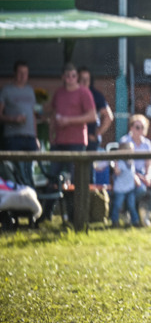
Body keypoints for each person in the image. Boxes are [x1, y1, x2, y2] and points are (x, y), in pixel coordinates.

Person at [46, 62, 97, 220]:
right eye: (67, 76)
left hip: (76, 142)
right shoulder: (59, 93)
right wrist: (51, 135)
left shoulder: (84, 92)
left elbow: (92, 116)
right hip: (59, 142)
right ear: (63, 77)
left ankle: (76, 217)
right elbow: (54, 116)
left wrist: (69, 121)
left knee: (75, 181)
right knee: (52, 177)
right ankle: (45, 215)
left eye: (73, 76)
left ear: (77, 77)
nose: (70, 79)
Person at [120, 114, 151, 223]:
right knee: (141, 190)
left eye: (143, 127)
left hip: (143, 173)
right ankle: (129, 212)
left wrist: (148, 176)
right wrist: (136, 176)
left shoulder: (147, 143)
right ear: (131, 128)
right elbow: (124, 165)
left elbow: (149, 164)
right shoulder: (124, 141)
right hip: (129, 174)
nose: (140, 130)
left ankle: (145, 209)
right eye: (137, 127)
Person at [0, 60, 40, 187]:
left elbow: (33, 115)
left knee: (30, 172)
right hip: (13, 137)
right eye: (20, 73)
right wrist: (13, 119)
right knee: (15, 171)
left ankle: (30, 198)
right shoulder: (6, 90)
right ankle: (17, 200)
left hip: (29, 138)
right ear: (15, 73)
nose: (23, 76)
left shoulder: (30, 91)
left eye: (26, 73)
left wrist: (36, 136)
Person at [77, 66, 114, 151]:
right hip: (74, 138)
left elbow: (108, 117)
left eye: (87, 79)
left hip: (90, 138)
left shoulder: (96, 95)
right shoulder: (72, 94)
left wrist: (97, 133)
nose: (85, 82)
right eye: (82, 79)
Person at [109, 140, 142, 227]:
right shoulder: (120, 162)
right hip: (120, 189)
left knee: (131, 205)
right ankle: (114, 221)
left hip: (130, 188)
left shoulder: (131, 161)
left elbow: (132, 173)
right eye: (130, 150)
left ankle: (135, 221)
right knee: (117, 205)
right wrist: (115, 166)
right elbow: (117, 173)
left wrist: (136, 179)